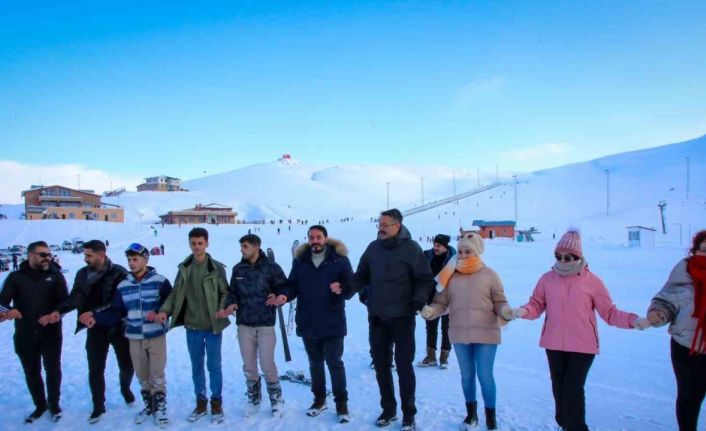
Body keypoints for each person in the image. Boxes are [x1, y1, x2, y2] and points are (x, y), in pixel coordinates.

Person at [509, 229, 646, 431]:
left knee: (573, 389)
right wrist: (522, 311)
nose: (562, 261)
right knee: (559, 388)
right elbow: (536, 305)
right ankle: (565, 424)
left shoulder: (592, 281)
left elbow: (610, 312)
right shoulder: (547, 279)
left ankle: (578, 428)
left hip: (583, 345)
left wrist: (634, 321)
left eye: (567, 257)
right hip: (554, 343)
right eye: (558, 256)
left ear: (578, 256)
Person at [349, 208, 434, 431]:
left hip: (403, 317)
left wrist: (418, 300)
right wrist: (354, 289)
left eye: (385, 225)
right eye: (379, 224)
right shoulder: (373, 247)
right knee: (381, 366)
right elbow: (361, 275)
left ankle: (409, 414)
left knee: (404, 367)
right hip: (377, 316)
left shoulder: (411, 249)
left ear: (397, 226)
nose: (380, 228)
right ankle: (388, 409)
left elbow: (425, 279)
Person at [421, 233, 510, 430]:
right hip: (460, 333)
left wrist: (505, 311)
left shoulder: (490, 275)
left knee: (485, 376)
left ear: (477, 252)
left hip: (486, 333)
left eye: (468, 251)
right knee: (467, 375)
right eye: (460, 251)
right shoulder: (450, 276)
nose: (462, 255)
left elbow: (500, 301)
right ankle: (471, 415)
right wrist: (431, 311)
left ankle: (490, 417)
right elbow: (441, 303)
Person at [39, 239, 134, 424]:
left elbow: (119, 302)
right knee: (95, 369)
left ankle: (125, 388)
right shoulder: (82, 274)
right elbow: (75, 297)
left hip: (118, 327)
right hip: (93, 328)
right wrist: (58, 311)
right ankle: (98, 406)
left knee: (127, 365)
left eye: (89, 255)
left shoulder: (119, 273)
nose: (85, 259)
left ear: (102, 255)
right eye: (85, 255)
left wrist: (94, 312)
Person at [277, 225, 354, 422]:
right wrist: (285, 295)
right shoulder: (301, 261)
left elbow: (352, 286)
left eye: (319, 237)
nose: (315, 241)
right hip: (308, 320)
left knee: (335, 363)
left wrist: (342, 288)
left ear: (326, 239)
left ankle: (341, 404)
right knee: (315, 364)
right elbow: (292, 284)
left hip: (333, 321)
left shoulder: (340, 260)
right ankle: (319, 399)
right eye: (311, 238)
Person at [154, 228, 230, 424]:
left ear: (207, 243)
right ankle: (201, 401)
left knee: (214, 366)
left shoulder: (216, 268)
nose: (196, 247)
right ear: (189, 243)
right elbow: (175, 293)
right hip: (193, 326)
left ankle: (216, 402)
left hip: (213, 326)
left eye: (200, 243)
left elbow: (225, 292)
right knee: (197, 366)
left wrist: (222, 309)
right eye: (193, 243)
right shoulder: (184, 268)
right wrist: (165, 311)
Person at [94, 243, 173, 427]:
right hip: (134, 337)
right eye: (129, 260)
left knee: (157, 374)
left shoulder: (160, 281)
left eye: (135, 259)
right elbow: (116, 310)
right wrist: (96, 318)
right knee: (142, 375)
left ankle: (160, 408)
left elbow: (171, 302)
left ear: (146, 259)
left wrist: (163, 313)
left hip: (156, 336)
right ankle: (149, 405)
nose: (131, 263)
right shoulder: (123, 285)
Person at [641, 230, 706, 431]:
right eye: (703, 250)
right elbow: (667, 300)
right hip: (685, 347)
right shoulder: (684, 271)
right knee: (689, 397)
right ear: (694, 250)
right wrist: (658, 313)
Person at [219, 234, 288, 418]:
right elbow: (231, 292)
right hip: (244, 324)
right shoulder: (238, 269)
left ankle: (276, 399)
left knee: (267, 364)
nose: (242, 250)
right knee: (249, 365)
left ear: (256, 247)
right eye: (241, 246)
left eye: (245, 246)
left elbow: (285, 288)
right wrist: (231, 303)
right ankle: (254, 398)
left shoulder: (271, 268)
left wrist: (279, 297)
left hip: (265, 324)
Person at [0, 241, 68, 423]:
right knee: (31, 371)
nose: (47, 258)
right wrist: (8, 311)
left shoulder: (56, 276)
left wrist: (56, 313)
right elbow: (2, 301)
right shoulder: (15, 277)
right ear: (30, 255)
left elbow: (65, 302)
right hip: (25, 333)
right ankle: (40, 405)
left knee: (53, 369)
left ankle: (54, 404)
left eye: (49, 254)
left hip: (51, 332)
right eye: (43, 254)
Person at [417, 234, 456, 369]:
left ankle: (444, 357)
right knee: (431, 327)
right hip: (430, 298)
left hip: (448, 299)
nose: (435, 248)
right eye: (434, 245)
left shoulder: (454, 259)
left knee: (447, 328)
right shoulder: (428, 256)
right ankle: (431, 356)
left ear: (445, 246)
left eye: (438, 246)